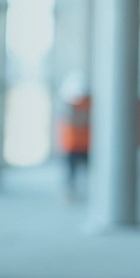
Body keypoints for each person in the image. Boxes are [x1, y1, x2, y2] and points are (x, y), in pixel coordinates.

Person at [56, 74, 91, 203]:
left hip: (85, 145)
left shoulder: (88, 104)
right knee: (71, 174)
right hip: (73, 145)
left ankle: (78, 194)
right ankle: (70, 195)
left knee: (82, 173)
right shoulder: (69, 105)